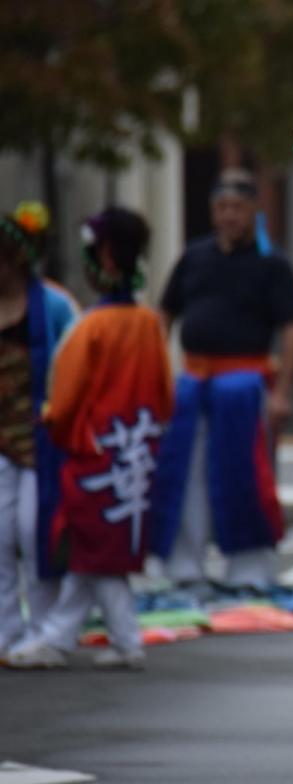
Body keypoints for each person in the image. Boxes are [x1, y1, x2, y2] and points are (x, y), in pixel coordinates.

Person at [6, 208, 172, 670]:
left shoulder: (90, 328)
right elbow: (163, 394)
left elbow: (65, 402)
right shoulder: (147, 323)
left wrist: (52, 424)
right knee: (95, 551)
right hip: (135, 448)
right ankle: (67, 637)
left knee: (95, 549)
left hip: (95, 453)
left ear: (102, 258)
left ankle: (113, 638)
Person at [151, 168, 293, 592]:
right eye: (222, 207)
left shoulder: (272, 263)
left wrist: (284, 394)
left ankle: (249, 570)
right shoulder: (193, 256)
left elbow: (292, 329)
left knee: (246, 475)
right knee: (185, 474)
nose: (229, 215)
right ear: (212, 211)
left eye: (238, 207)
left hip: (245, 381)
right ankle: (186, 566)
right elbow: (164, 313)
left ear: (253, 210)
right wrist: (156, 369)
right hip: (192, 379)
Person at [0, 201, 77, 661]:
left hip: (43, 438)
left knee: (36, 531)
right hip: (0, 437)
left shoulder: (52, 305)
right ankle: (7, 632)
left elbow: (77, 360)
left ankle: (46, 629)